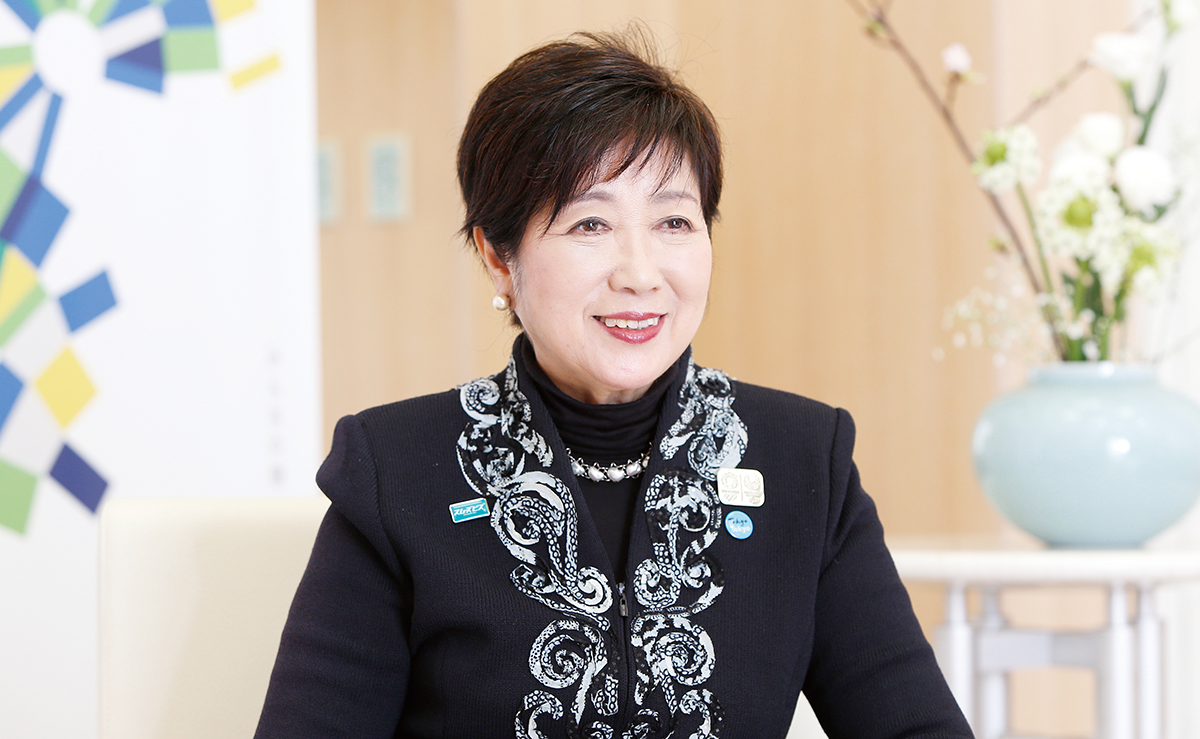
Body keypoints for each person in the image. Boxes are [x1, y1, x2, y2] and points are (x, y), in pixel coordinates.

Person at [255, 30, 973, 739]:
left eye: (674, 221)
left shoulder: (801, 460)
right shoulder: (395, 469)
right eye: (591, 223)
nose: (640, 273)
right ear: (499, 257)